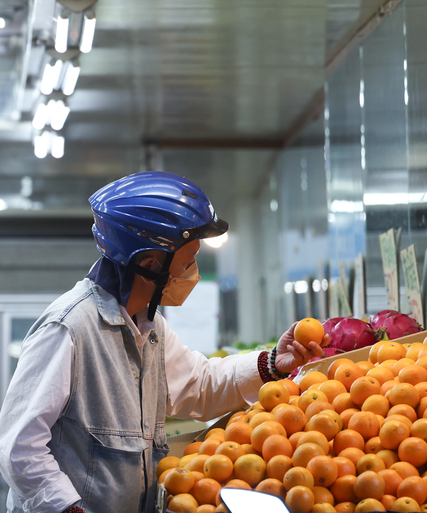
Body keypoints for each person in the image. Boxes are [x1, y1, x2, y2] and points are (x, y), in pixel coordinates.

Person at [0, 171, 328, 513]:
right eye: (188, 261)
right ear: (150, 264)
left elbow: (198, 385)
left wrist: (273, 362)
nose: (193, 272)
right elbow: (19, 447)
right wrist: (69, 508)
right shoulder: (68, 329)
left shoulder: (149, 326)